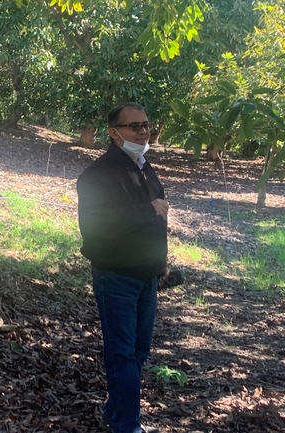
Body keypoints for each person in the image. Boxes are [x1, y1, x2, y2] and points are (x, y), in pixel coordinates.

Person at [76, 102, 169, 433]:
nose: (143, 131)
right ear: (114, 133)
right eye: (134, 126)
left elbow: (160, 220)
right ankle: (127, 426)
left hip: (148, 276)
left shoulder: (145, 167)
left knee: (139, 352)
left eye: (146, 124)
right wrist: (147, 210)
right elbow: (96, 225)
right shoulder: (96, 175)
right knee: (122, 354)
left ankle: (116, 414)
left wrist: (162, 262)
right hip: (116, 276)